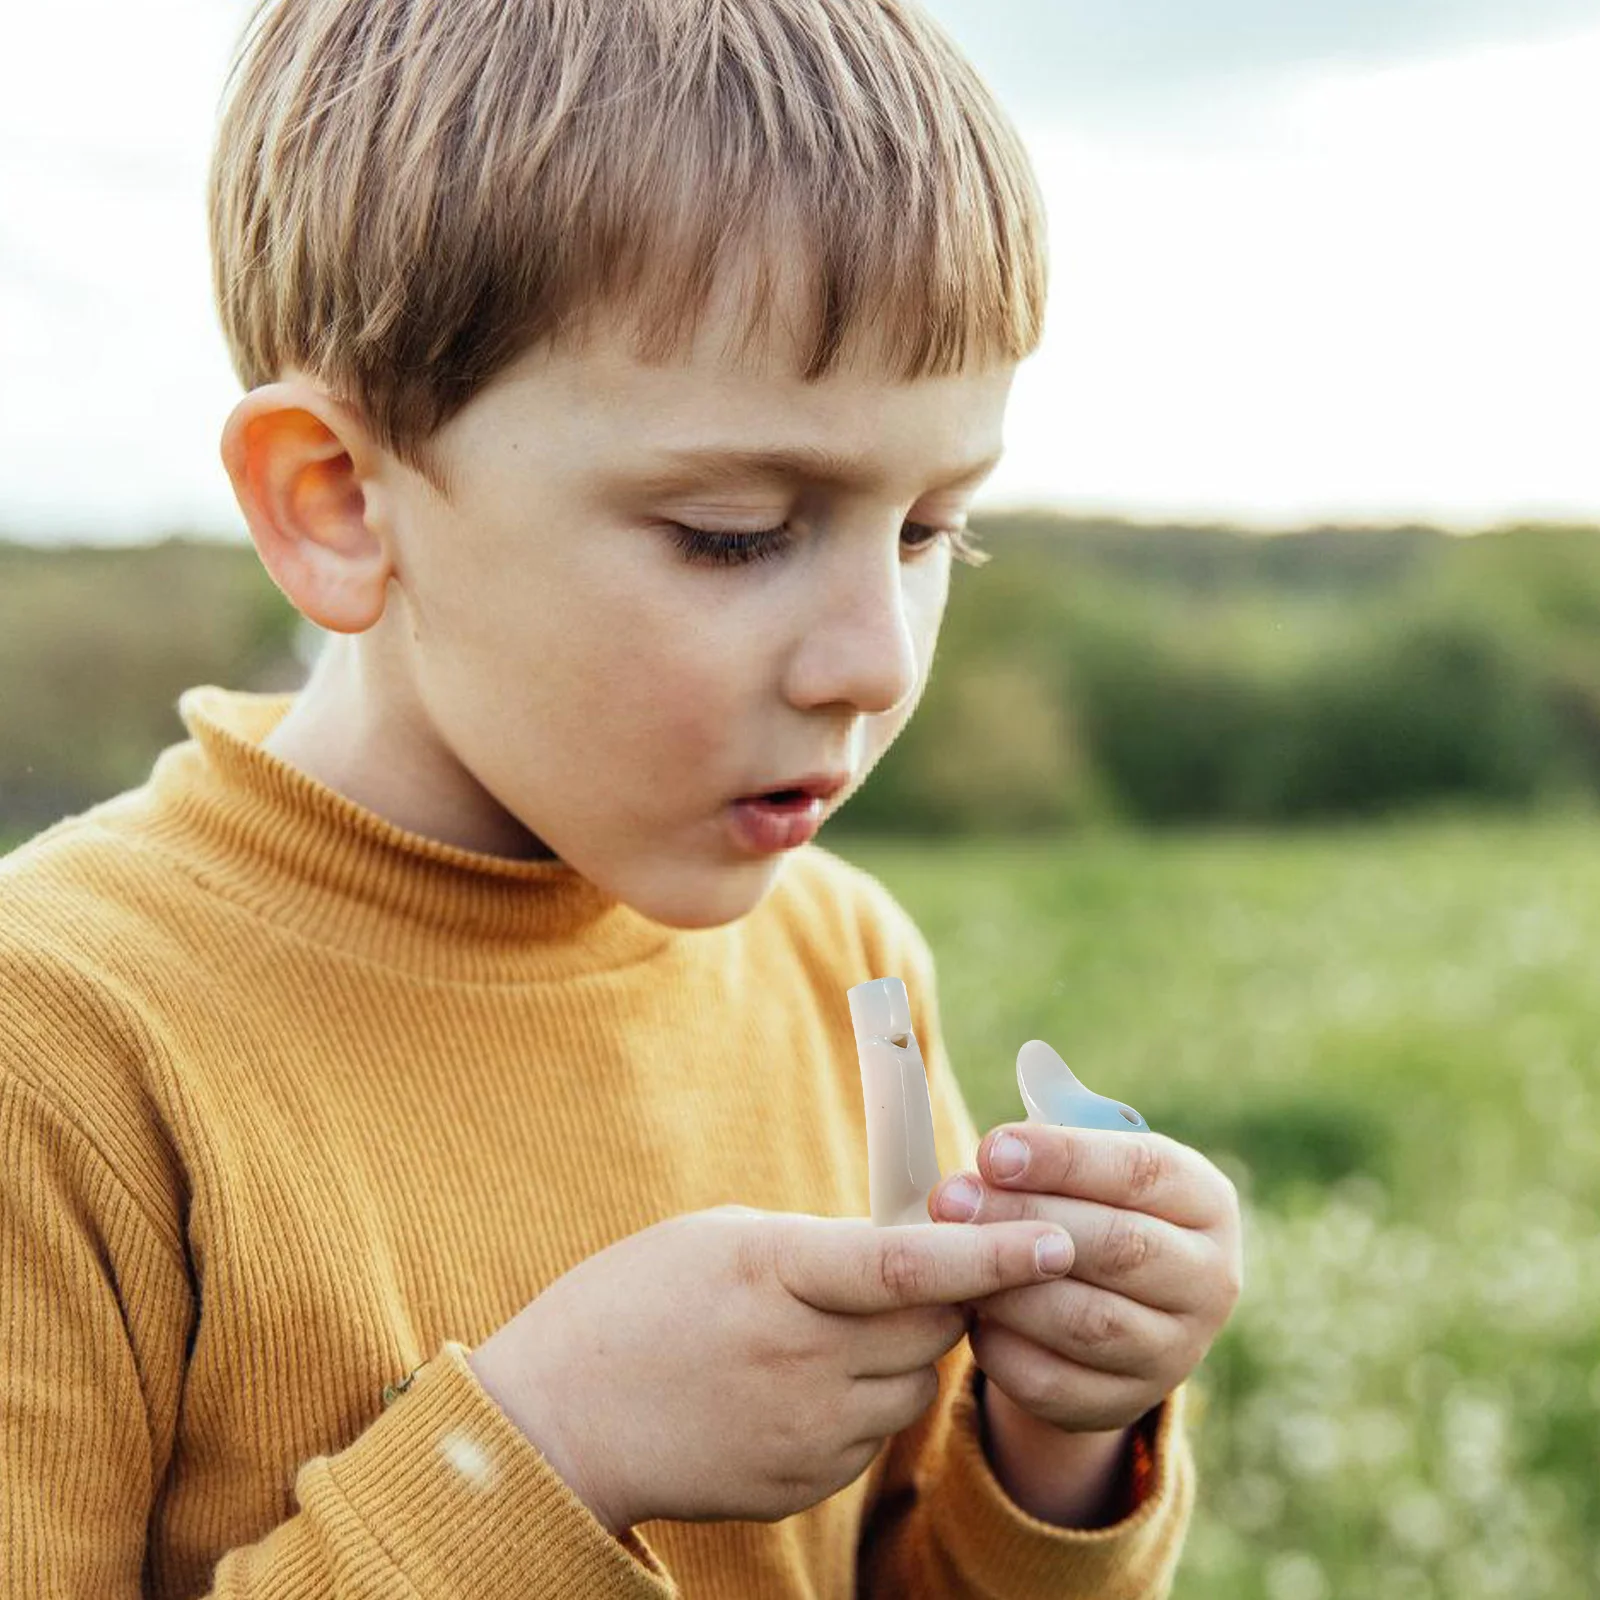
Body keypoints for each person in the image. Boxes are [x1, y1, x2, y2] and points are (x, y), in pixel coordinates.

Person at [0, 0, 1243, 1593]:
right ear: (338, 504)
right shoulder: (58, 1038)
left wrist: (1058, 1434)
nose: (876, 659)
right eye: (733, 531)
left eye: (932, 529)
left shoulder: (842, 959)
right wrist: (541, 1452)